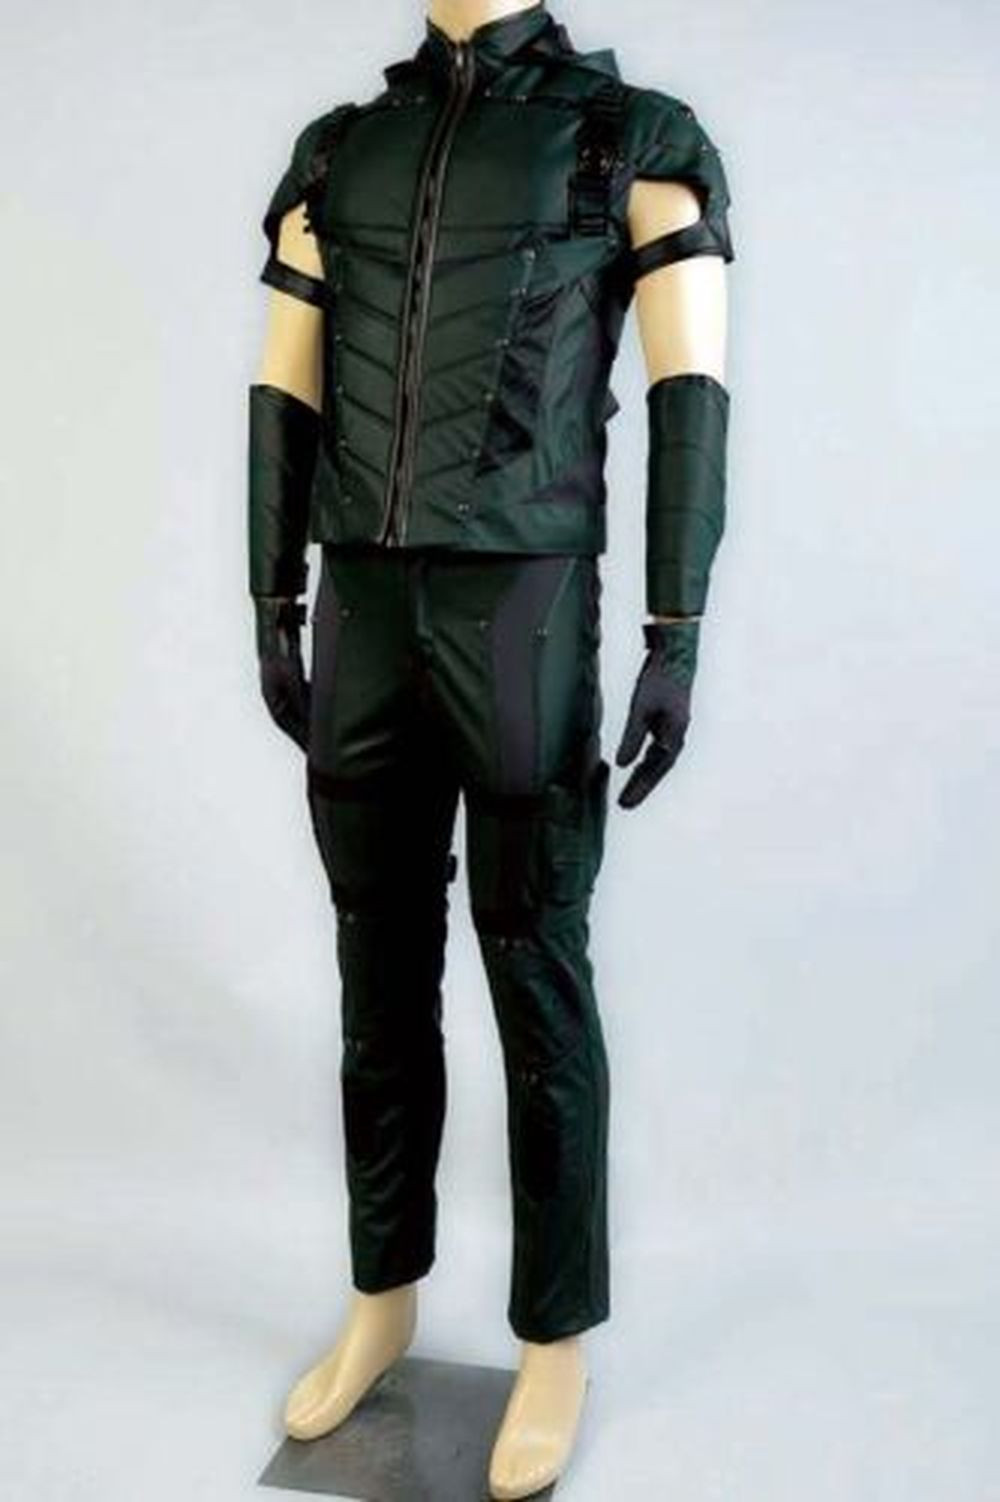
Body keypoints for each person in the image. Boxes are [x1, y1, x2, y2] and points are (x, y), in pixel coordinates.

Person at [247, 1, 734, 1495]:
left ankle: (554, 1338)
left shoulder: (626, 140)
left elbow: (691, 392)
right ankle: (381, 1298)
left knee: (534, 966)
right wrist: (273, 597)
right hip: (362, 605)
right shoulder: (343, 152)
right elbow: (285, 385)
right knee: (376, 971)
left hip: (522, 601)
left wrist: (674, 627)